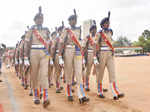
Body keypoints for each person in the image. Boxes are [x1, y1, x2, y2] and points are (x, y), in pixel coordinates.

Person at [59, 9, 89, 104]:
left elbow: (80, 41)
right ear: (69, 21)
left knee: (79, 73)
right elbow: (61, 42)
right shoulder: (66, 30)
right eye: (72, 20)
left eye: (75, 19)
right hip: (68, 50)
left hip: (77, 51)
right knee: (68, 72)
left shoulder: (79, 29)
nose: (73, 21)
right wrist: (60, 55)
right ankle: (69, 93)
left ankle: (81, 95)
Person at [93, 11, 124, 100]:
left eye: (108, 23)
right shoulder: (99, 33)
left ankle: (115, 92)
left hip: (110, 54)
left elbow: (111, 43)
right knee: (100, 74)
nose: (108, 24)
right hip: (101, 54)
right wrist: (95, 57)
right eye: (106, 23)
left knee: (112, 73)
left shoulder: (110, 32)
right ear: (102, 25)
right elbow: (95, 45)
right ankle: (99, 91)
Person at [24, 6, 50, 107]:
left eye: (42, 18)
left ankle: (45, 97)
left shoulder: (46, 29)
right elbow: (26, 42)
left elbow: (48, 42)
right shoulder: (32, 29)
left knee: (44, 74)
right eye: (38, 18)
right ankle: (36, 95)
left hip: (44, 53)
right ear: (35, 20)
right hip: (33, 52)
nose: (40, 20)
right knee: (34, 74)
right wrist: (26, 57)